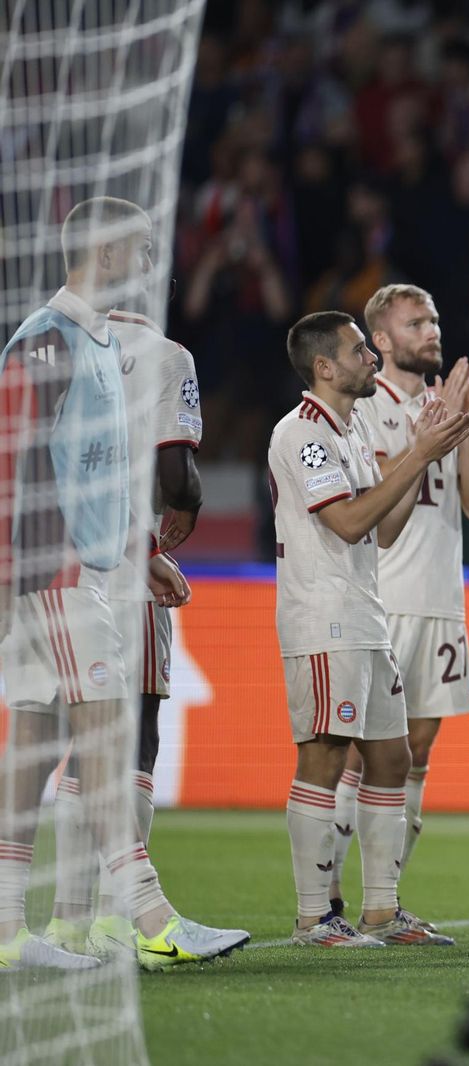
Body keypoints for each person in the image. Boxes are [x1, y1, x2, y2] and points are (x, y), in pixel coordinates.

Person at [0, 196, 248, 970]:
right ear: (103, 254)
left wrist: (141, 554)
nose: (149, 266)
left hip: (91, 570)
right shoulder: (45, 342)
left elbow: (91, 475)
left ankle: (8, 930)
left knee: (36, 749)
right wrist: (31, 578)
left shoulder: (100, 342)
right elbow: (15, 467)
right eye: (139, 250)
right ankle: (150, 918)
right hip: (59, 577)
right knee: (107, 740)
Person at [269, 310, 469, 948]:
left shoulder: (349, 430)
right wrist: (419, 452)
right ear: (324, 367)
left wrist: (423, 450)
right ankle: (313, 917)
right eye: (360, 351)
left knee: (392, 756)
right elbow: (349, 524)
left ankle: (382, 911)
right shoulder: (303, 434)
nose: (371, 360)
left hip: (365, 614)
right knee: (325, 756)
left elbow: (383, 527)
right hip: (324, 617)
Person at [38, 298, 207, 960]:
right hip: (123, 562)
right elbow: (175, 470)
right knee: (132, 735)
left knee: (70, 737)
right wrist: (182, 512)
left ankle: (66, 922)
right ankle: (118, 917)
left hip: (52, 567)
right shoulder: (167, 356)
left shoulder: (48, 345)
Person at [324, 285, 469, 922]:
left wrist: (463, 427)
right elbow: (376, 514)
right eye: (416, 321)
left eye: (435, 318)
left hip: (441, 602)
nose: (432, 329)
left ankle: (385, 906)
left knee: (416, 753)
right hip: (384, 599)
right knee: (358, 754)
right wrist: (424, 441)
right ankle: (329, 899)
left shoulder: (443, 405)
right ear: (384, 341)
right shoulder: (367, 408)